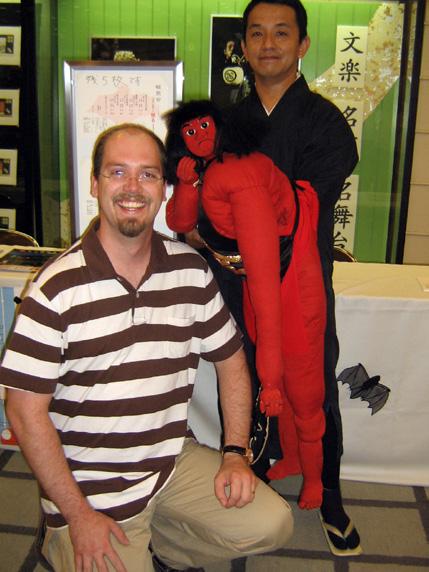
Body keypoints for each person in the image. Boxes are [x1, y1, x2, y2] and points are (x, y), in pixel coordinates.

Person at [0, 123, 293, 572]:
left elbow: (231, 360)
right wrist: (77, 515)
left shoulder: (190, 272)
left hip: (169, 462)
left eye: (148, 174)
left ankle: (162, 547)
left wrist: (235, 453)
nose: (133, 187)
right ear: (95, 184)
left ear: (164, 188)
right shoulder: (56, 288)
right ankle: (62, 535)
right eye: (117, 172)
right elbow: (23, 411)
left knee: (273, 524)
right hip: (89, 487)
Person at [235, 0, 361, 557]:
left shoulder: (326, 123)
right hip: (238, 282)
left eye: (281, 33)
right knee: (244, 380)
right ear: (243, 47)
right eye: (257, 34)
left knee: (315, 387)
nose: (268, 44)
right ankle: (256, 470)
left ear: (302, 44)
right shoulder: (228, 123)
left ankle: (328, 492)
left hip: (302, 284)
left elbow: (300, 206)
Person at [164, 99, 327, 510]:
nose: (199, 136)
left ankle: (316, 480)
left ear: (222, 127)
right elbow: (180, 223)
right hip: (259, 280)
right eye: (189, 131)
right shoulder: (212, 171)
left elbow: (267, 279)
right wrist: (185, 183)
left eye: (205, 126)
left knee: (302, 385)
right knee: (283, 376)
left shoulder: (240, 175)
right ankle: (293, 459)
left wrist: (267, 381)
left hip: (288, 284)